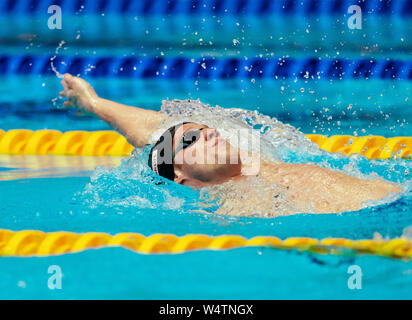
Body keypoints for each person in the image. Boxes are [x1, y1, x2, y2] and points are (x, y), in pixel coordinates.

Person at [59, 73, 401, 215]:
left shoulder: (255, 162)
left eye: (204, 128)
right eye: (193, 137)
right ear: (181, 175)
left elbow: (152, 128)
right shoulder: (233, 206)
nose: (208, 132)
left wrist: (94, 104)